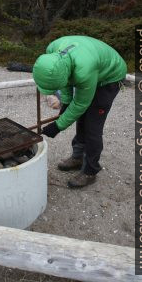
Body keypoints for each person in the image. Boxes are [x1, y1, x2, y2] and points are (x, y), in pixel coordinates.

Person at [33, 35, 127, 188]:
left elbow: (81, 104)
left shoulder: (84, 70)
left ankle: (90, 170)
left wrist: (58, 126)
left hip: (109, 77)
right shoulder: (52, 52)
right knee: (81, 117)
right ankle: (78, 157)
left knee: (92, 125)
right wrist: (66, 102)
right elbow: (65, 80)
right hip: (89, 66)